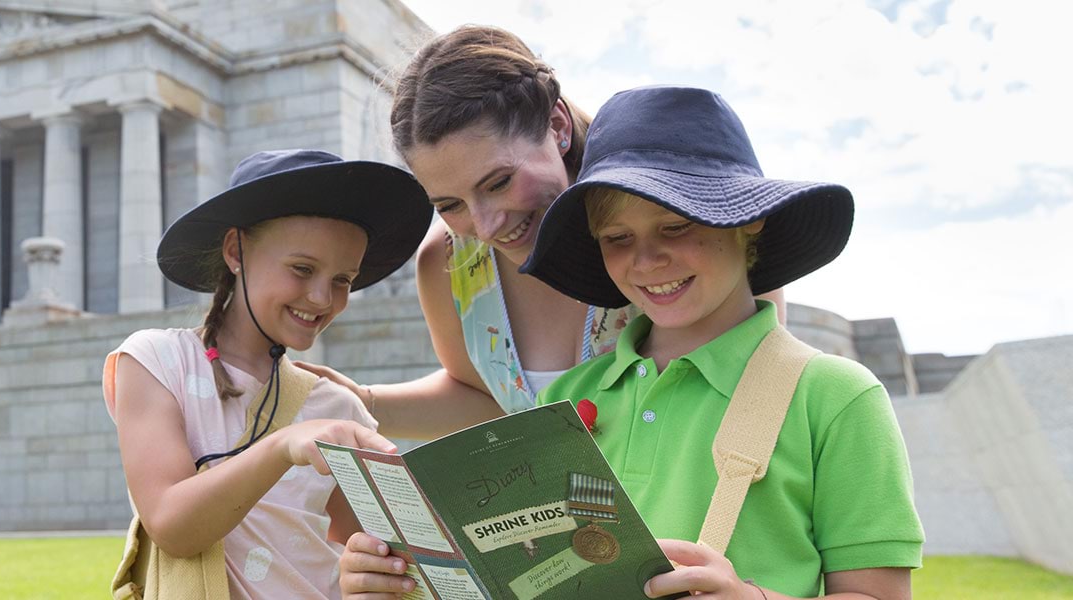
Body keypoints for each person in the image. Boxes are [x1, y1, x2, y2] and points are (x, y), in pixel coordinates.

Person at [341, 86, 923, 599]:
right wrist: (401, 579)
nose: (646, 259)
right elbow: (534, 574)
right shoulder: (568, 398)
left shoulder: (835, 396)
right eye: (617, 238)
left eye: (677, 226)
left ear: (749, 222)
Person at [298, 24, 785, 440]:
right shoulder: (448, 265)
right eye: (448, 204)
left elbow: (764, 383)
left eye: (499, 182)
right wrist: (359, 401)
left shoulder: (684, 224)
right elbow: (489, 401)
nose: (485, 226)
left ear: (556, 126)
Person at [102, 149, 434, 598]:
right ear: (236, 251)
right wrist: (284, 445)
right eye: (302, 269)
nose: (321, 297)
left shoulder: (337, 408)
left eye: (343, 280)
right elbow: (171, 525)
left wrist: (374, 575)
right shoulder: (156, 362)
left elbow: (373, 552)